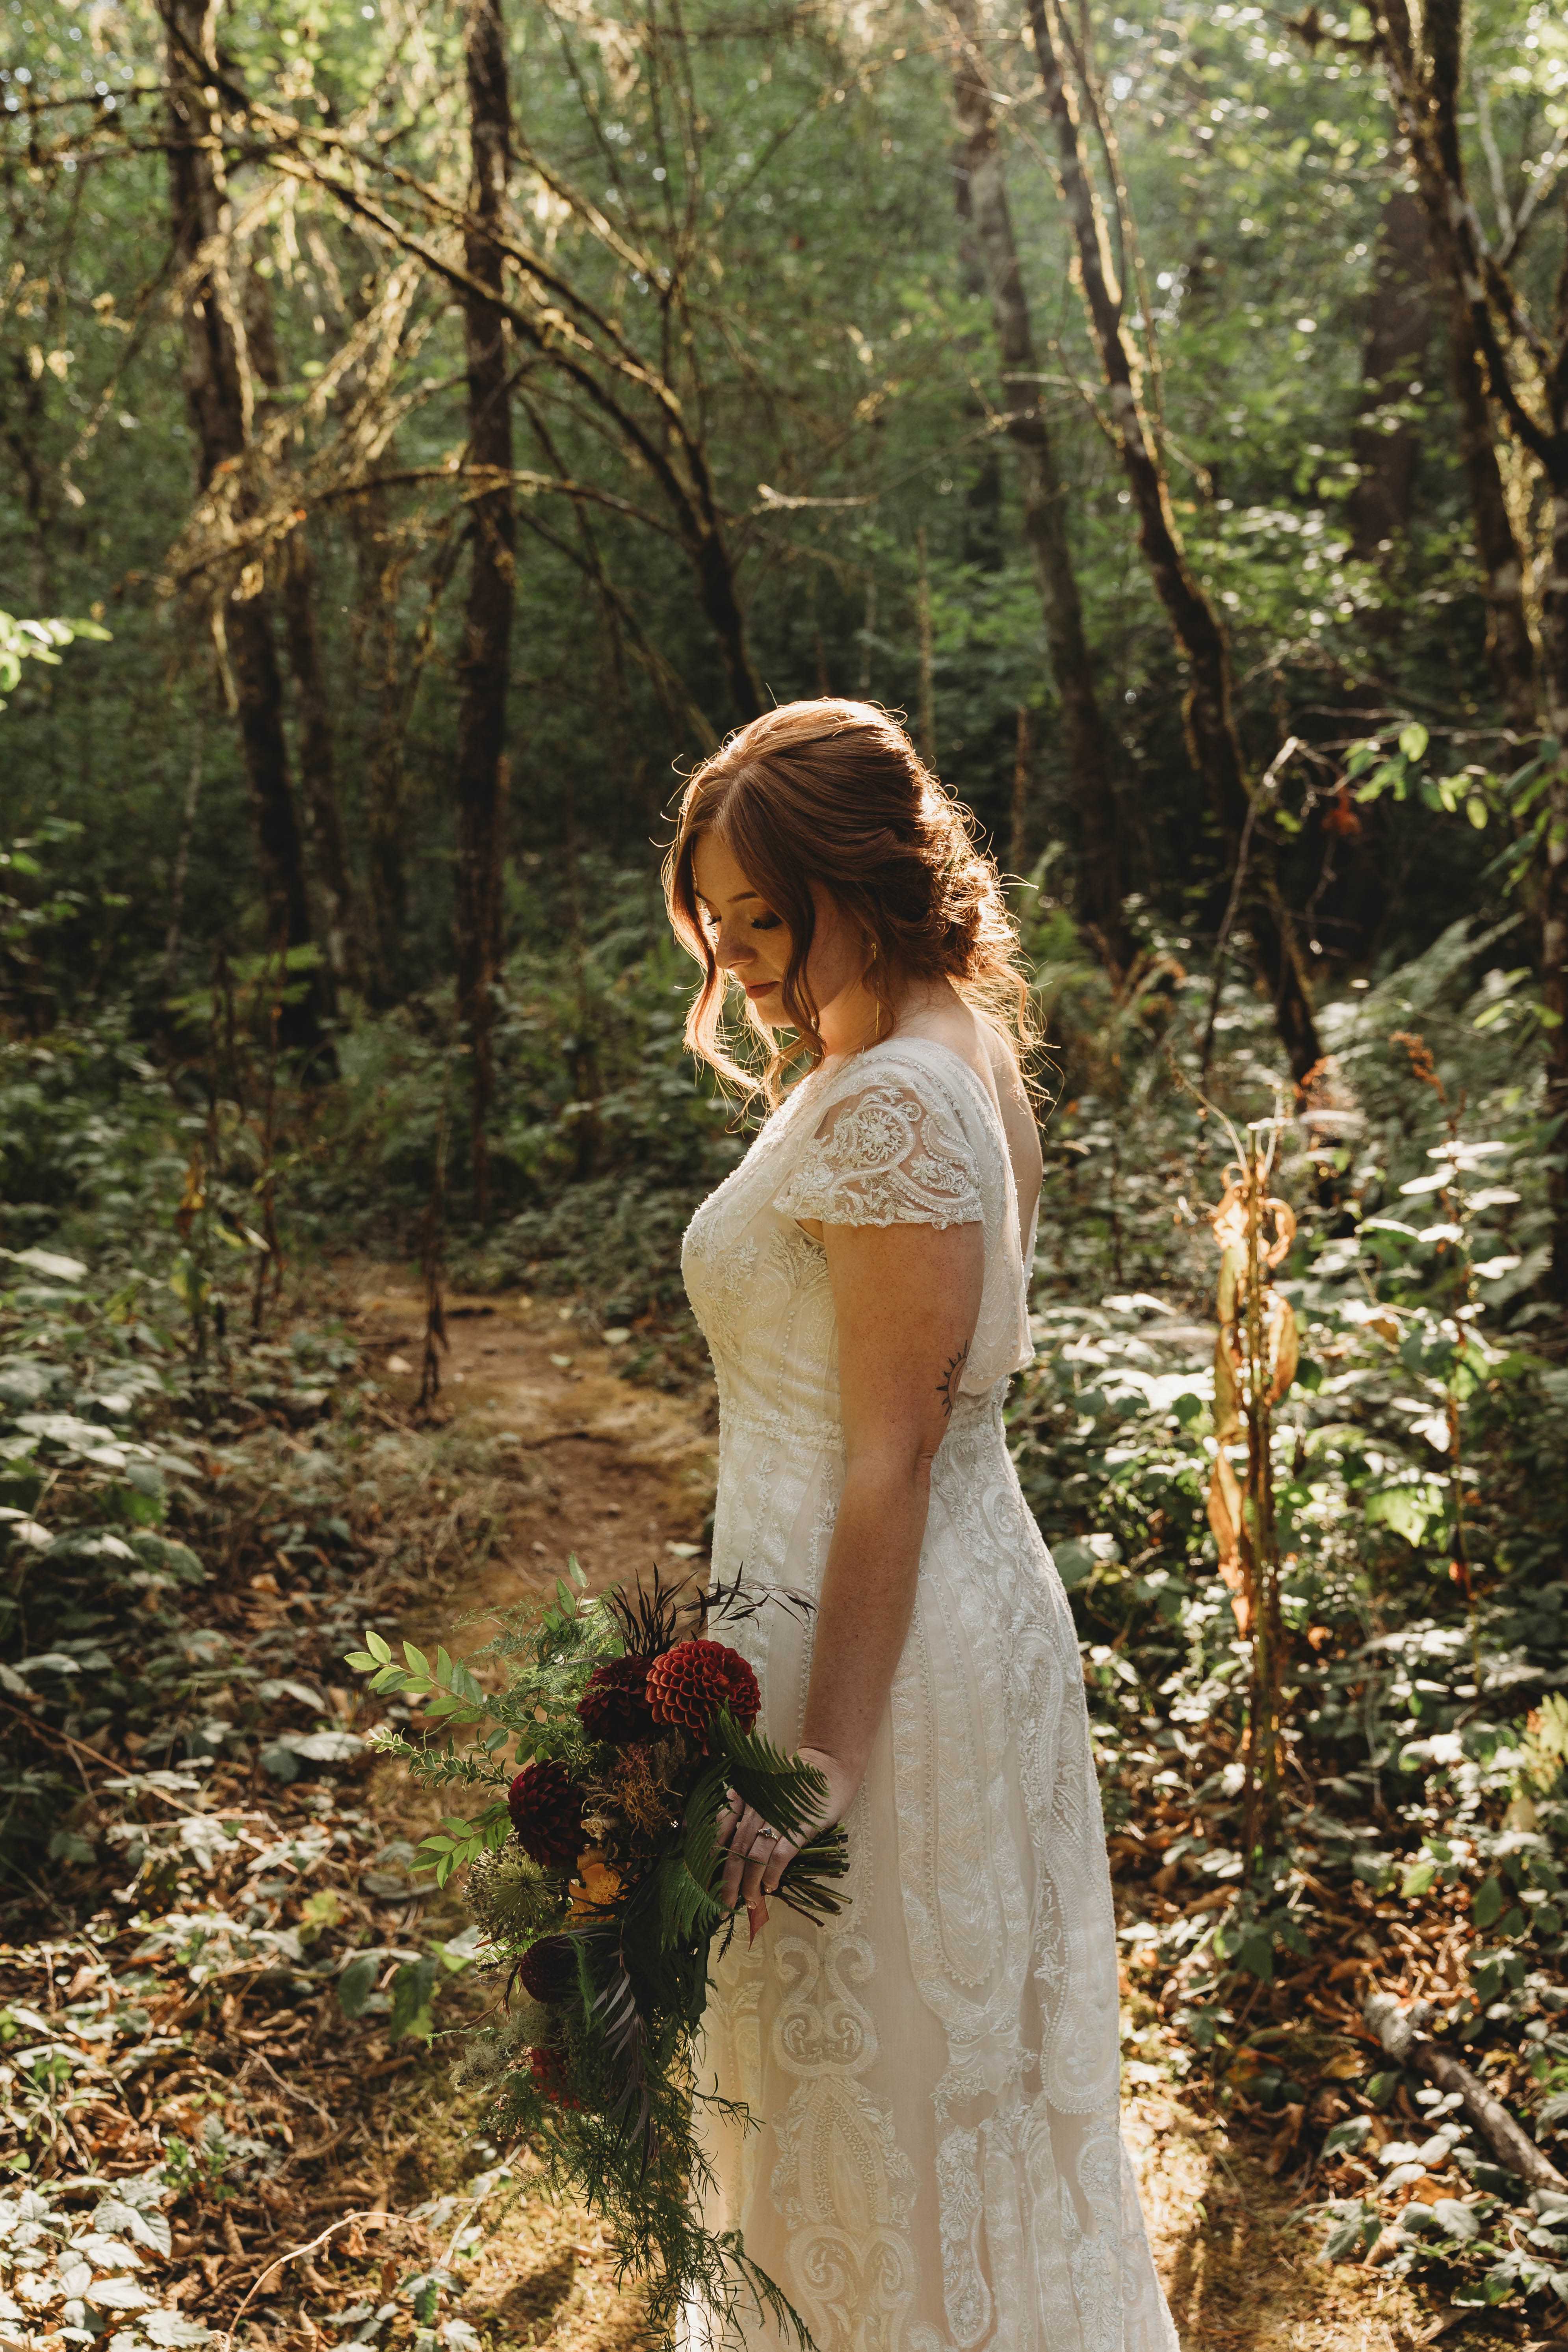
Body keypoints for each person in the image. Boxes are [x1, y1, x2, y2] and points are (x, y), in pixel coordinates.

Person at [665, 700, 1178, 2352]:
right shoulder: (926, 1042)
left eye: (765, 914)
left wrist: (820, 1758)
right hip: (894, 1611)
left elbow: (889, 1451)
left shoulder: (893, 1096)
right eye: (717, 919)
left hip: (876, 1660)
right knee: (902, 2122)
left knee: (880, 2115)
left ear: (862, 879)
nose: (737, 955)